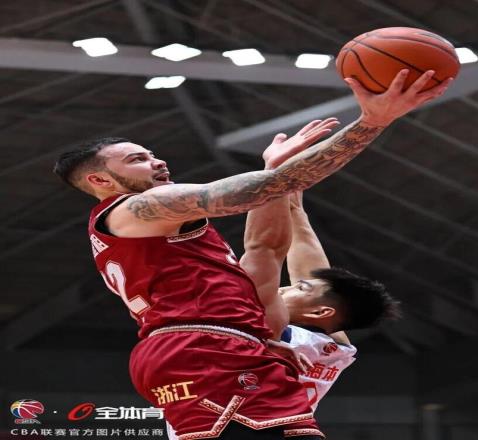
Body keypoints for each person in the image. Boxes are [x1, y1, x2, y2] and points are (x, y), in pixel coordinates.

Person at [53, 70, 450, 440]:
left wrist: (275, 171)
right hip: (203, 349)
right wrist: (372, 122)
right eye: (137, 160)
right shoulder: (139, 208)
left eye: (151, 153)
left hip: (204, 348)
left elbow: (266, 247)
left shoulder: (167, 235)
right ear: (100, 180)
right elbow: (257, 191)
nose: (157, 161)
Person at [240, 189, 401, 414]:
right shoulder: (338, 347)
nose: (283, 288)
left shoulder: (274, 328)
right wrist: (295, 209)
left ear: (320, 313)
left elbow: (263, 248)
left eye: (299, 288)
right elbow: (314, 278)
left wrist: (273, 185)